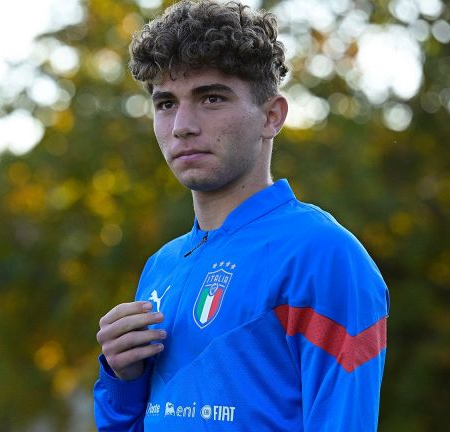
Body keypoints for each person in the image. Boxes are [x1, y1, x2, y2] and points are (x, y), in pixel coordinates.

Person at [93, 1, 389, 430]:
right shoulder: (161, 266)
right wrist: (124, 381)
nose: (182, 125)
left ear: (272, 116)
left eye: (211, 98)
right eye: (166, 103)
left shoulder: (323, 254)